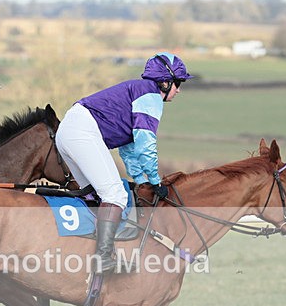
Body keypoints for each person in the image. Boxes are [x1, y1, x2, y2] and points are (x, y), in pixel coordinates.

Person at [55, 52, 192, 274]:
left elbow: (128, 149)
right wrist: (155, 181)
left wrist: (140, 181)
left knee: (95, 195)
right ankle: (103, 259)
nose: (179, 90)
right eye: (178, 83)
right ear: (165, 82)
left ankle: (88, 252)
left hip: (69, 131)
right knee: (115, 195)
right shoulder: (151, 96)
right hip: (81, 132)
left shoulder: (138, 91)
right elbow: (145, 143)